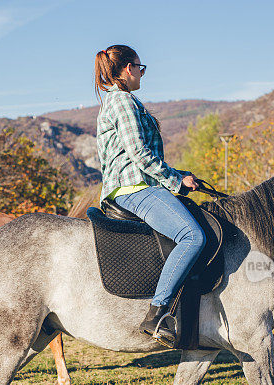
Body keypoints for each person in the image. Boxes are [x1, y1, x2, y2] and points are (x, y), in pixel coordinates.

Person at [94, 45, 206, 345]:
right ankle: (158, 314)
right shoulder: (123, 101)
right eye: (140, 68)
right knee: (192, 237)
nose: (142, 74)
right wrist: (174, 182)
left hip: (138, 183)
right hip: (133, 189)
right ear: (128, 68)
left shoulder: (121, 100)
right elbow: (140, 155)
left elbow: (142, 158)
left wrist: (179, 175)